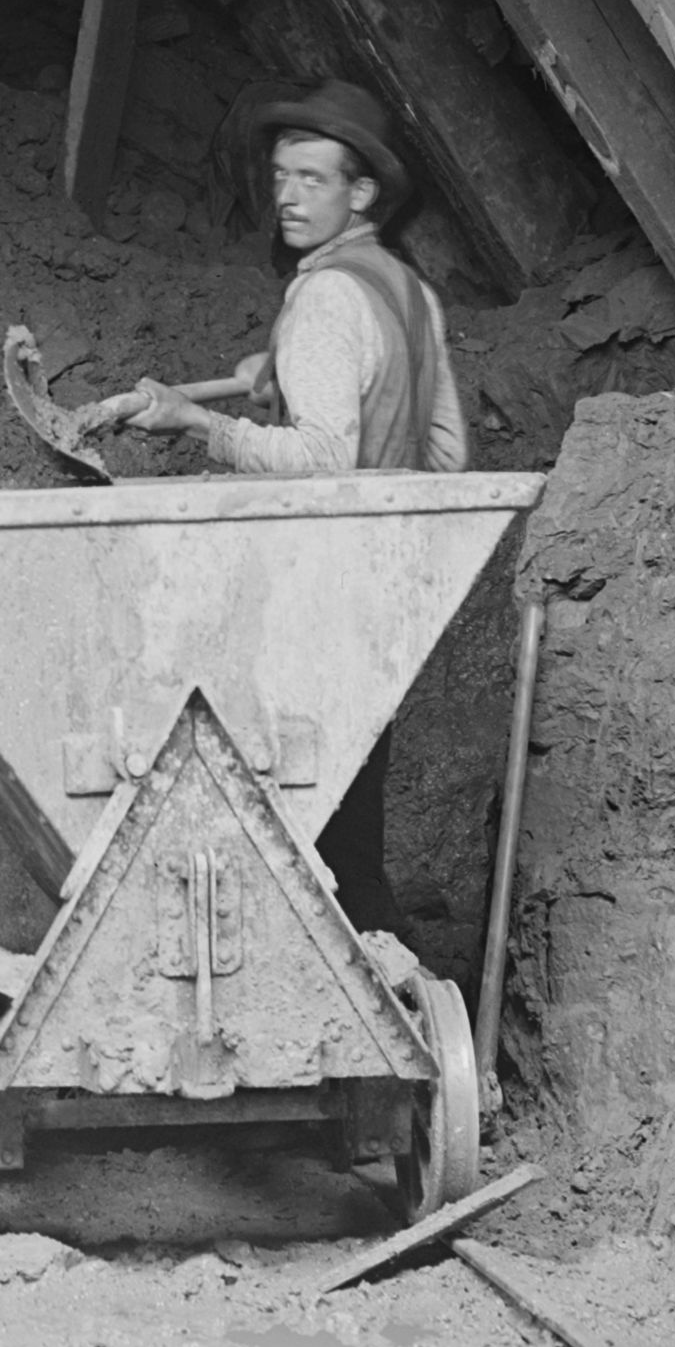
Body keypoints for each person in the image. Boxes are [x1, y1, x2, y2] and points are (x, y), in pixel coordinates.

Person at [89, 77, 468, 924]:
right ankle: (377, 948)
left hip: (319, 580)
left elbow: (324, 456)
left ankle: (309, 955)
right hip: (387, 579)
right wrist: (280, 377)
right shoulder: (407, 292)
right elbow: (445, 452)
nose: (289, 198)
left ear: (361, 192)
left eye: (314, 180)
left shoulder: (328, 298)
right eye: (283, 176)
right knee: (350, 789)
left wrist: (197, 424)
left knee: (279, 785)